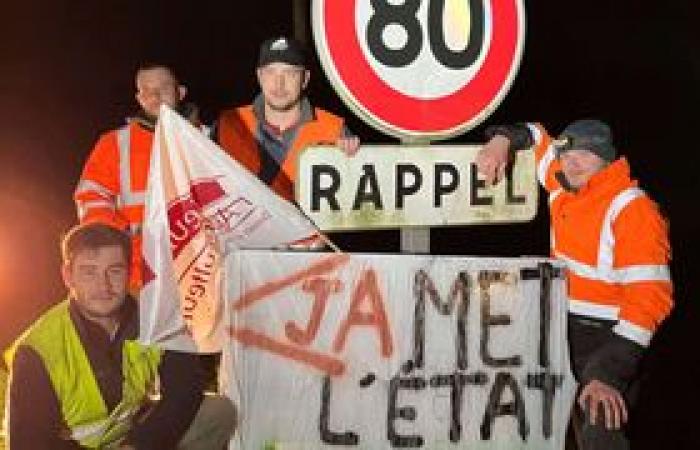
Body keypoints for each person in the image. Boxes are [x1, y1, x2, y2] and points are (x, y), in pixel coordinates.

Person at [476, 119, 673, 449]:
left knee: (599, 427)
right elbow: (537, 137)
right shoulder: (562, 184)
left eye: (584, 154)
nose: (572, 162)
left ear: (605, 158)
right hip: (559, 330)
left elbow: (651, 297)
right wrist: (500, 143)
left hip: (610, 340)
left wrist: (609, 373)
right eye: (566, 155)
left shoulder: (632, 208)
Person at [3, 223, 236, 449]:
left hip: (129, 438)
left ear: (129, 272)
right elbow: (27, 444)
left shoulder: (154, 317)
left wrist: (139, 445)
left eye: (114, 270)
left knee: (216, 413)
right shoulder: (37, 350)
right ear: (68, 276)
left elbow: (186, 387)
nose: (103, 285)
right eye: (89, 271)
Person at [74, 63, 203, 291]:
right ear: (139, 98)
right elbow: (91, 197)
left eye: (163, 87)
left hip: (203, 275)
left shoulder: (207, 139)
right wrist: (119, 244)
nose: (155, 96)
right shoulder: (114, 143)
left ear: (180, 92)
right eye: (146, 90)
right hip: (140, 277)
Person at [215, 36, 360, 202]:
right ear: (259, 77)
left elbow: (349, 206)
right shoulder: (229, 123)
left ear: (304, 79)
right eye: (270, 72)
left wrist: (351, 161)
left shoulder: (335, 130)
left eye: (290, 73)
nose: (279, 83)